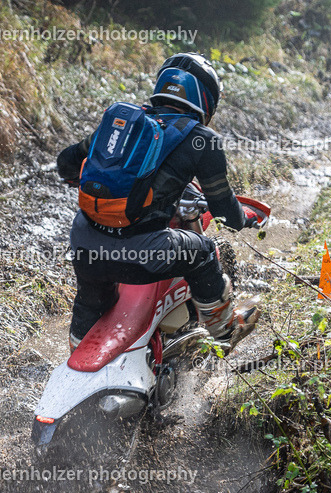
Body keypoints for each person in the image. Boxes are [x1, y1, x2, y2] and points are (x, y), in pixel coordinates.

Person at [56, 52, 259, 352]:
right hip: (144, 254)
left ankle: (76, 354)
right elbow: (225, 213)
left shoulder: (122, 124)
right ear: (206, 99)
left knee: (91, 296)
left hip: (86, 246)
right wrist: (245, 217)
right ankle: (226, 333)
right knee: (204, 252)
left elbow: (66, 164)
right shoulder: (203, 139)